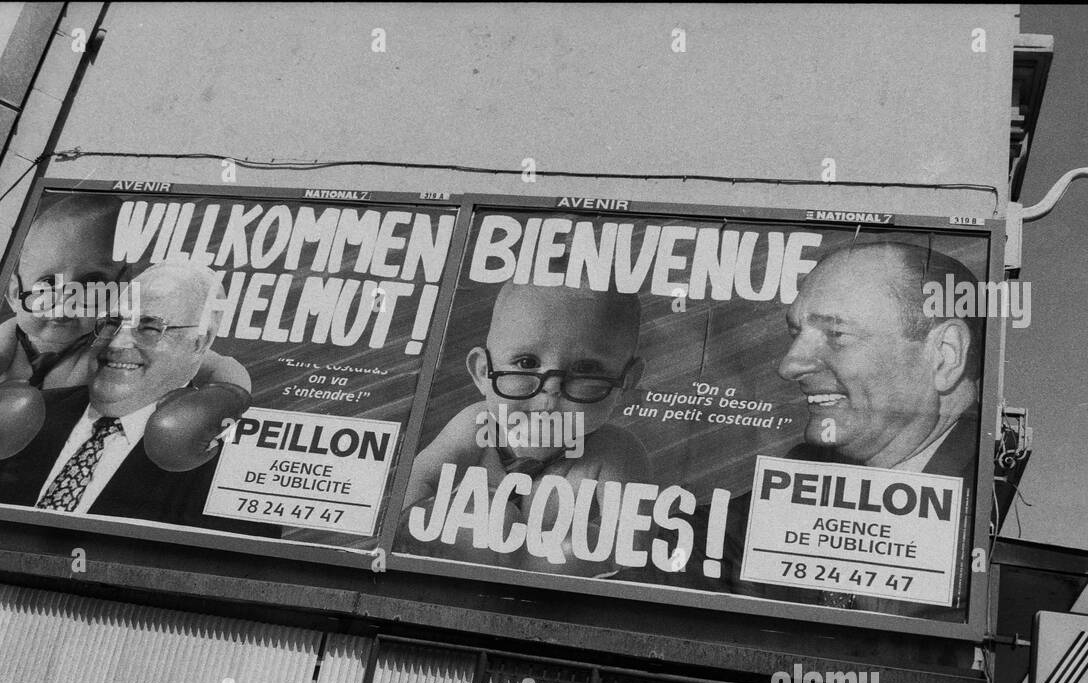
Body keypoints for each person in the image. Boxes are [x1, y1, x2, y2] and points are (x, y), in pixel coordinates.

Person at [647, 240, 983, 619]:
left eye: (837, 335)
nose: (789, 366)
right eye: (796, 334)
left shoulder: (988, 504)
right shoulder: (810, 470)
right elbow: (696, 551)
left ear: (944, 355)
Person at [0, 261, 276, 537]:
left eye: (149, 327)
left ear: (199, 343)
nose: (117, 343)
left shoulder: (231, 474)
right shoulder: (24, 415)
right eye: (113, 323)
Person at [402, 281, 650, 574]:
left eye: (587, 369)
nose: (552, 388)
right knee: (477, 515)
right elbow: (417, 479)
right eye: (526, 362)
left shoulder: (617, 453)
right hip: (465, 572)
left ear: (627, 380)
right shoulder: (476, 424)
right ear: (483, 373)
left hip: (554, 593)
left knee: (588, 548)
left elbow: (630, 548)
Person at [0, 193, 249, 394]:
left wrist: (223, 399)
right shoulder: (6, 339)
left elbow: (217, 366)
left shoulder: (115, 337)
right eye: (47, 283)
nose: (67, 300)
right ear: (13, 292)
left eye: (92, 282)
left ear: (121, 287)